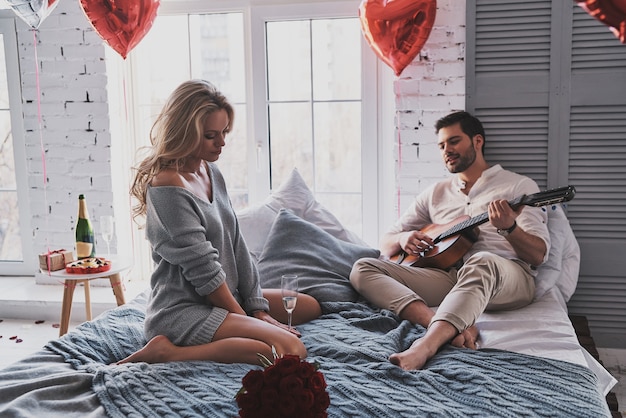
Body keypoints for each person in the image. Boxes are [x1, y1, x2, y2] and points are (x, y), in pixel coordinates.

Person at [119, 80, 321, 366]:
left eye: (224, 131)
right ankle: (167, 352)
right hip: (183, 309)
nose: (222, 142)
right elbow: (205, 272)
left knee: (310, 306)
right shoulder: (167, 187)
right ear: (186, 133)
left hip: (223, 296)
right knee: (291, 350)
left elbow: (237, 243)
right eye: (211, 135)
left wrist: (258, 309)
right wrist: (246, 319)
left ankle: (240, 325)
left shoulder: (210, 170)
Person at [349, 110, 549, 370]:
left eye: (454, 141)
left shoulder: (518, 186)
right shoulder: (435, 193)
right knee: (362, 268)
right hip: (452, 277)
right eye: (442, 145)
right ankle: (446, 322)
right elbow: (386, 243)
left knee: (482, 260)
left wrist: (509, 228)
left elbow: (538, 255)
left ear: (478, 141)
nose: (447, 150)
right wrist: (404, 237)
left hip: (509, 277)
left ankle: (424, 346)